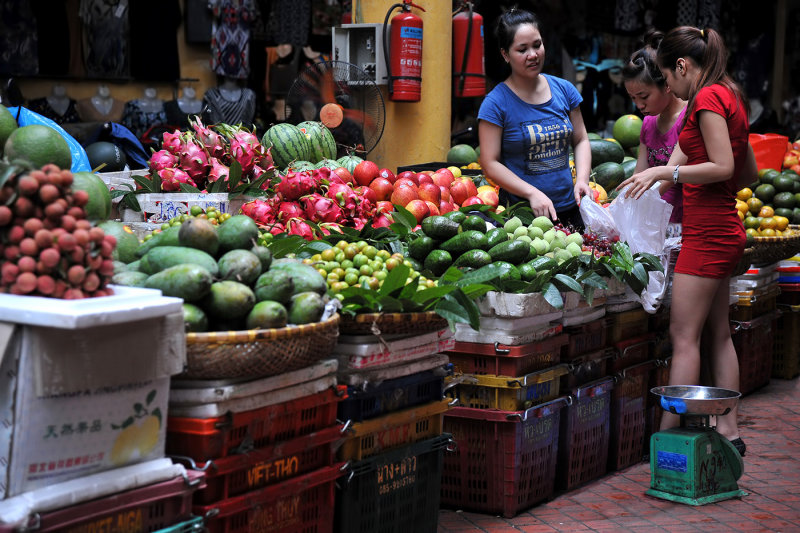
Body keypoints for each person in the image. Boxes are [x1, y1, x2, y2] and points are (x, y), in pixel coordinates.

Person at [618, 26, 758, 456]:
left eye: (669, 77)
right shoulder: (729, 92)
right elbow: (748, 173)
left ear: (681, 67)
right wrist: (651, 180)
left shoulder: (707, 97)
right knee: (717, 334)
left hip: (706, 234)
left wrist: (667, 173)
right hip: (722, 229)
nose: (671, 88)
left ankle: (668, 440)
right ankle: (729, 431)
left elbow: (723, 165)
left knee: (683, 336)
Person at [477, 7, 592, 229]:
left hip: (570, 209)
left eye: (537, 45)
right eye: (522, 49)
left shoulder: (565, 90)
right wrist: (531, 193)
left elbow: (581, 139)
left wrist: (583, 181)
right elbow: (489, 163)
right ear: (505, 54)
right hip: (522, 217)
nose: (533, 54)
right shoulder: (495, 103)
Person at [621, 31, 687, 236]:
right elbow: (639, 173)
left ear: (666, 84)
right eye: (633, 98)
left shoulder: (689, 116)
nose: (639, 105)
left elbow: (669, 175)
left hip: (685, 222)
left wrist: (631, 207)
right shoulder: (648, 123)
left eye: (644, 96)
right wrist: (621, 202)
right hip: (655, 223)